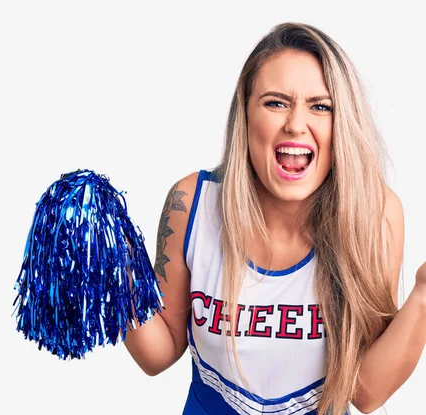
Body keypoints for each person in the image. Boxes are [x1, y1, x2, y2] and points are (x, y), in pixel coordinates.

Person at [123, 22, 426, 415]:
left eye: (321, 106)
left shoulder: (374, 215)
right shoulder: (192, 203)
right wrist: (111, 266)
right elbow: (158, 354)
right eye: (276, 102)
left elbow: (364, 392)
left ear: (342, 123)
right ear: (245, 115)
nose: (296, 124)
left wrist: (422, 294)